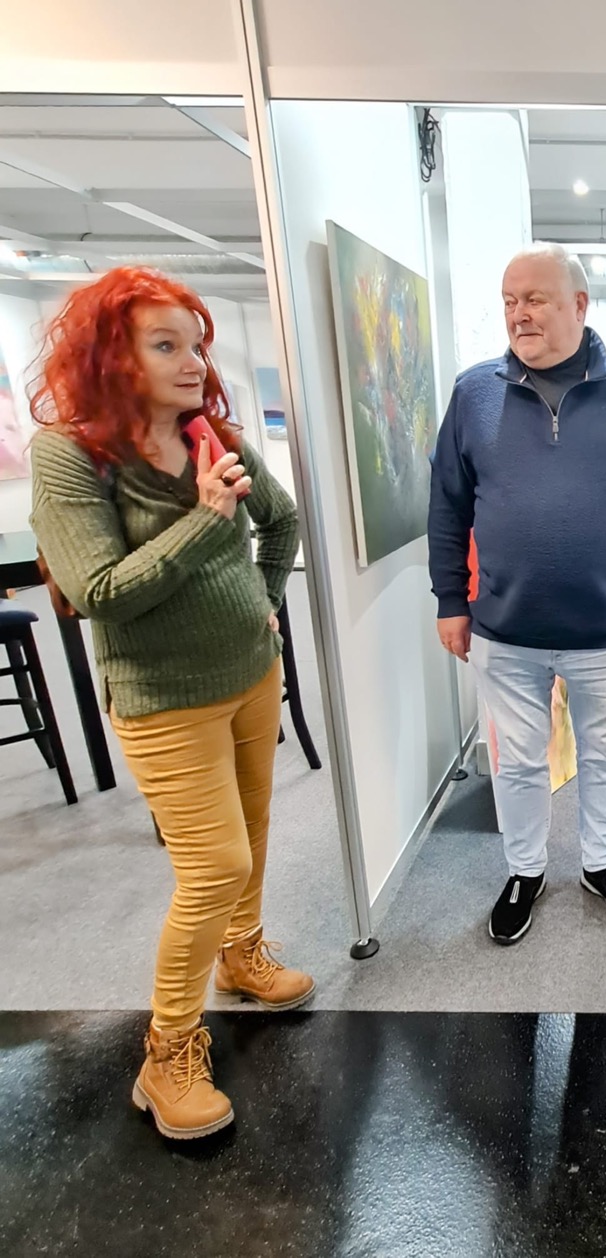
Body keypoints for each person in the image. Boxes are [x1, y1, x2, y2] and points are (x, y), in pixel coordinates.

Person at [28, 267, 311, 1141]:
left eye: (196, 344)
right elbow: (99, 593)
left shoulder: (209, 432)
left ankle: (242, 955)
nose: (194, 362)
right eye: (166, 345)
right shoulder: (70, 456)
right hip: (162, 699)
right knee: (213, 865)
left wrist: (265, 597)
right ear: (111, 357)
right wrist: (204, 517)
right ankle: (168, 1053)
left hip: (250, 673)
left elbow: (283, 519)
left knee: (252, 833)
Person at [428, 242, 606, 946]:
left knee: (604, 755)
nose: (518, 313)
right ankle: (526, 871)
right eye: (509, 301)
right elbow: (447, 506)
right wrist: (450, 600)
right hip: (503, 628)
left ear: (579, 304)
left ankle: (602, 865)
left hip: (605, 628)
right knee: (518, 762)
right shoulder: (474, 393)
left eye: (535, 299)